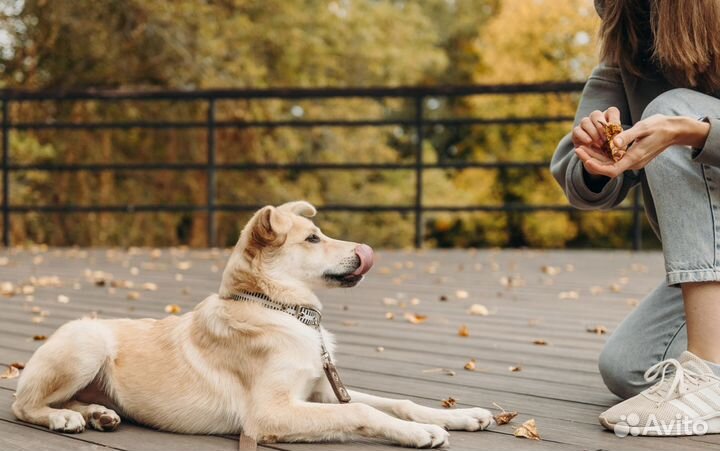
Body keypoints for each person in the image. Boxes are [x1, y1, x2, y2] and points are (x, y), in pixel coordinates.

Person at [551, 0, 720, 436]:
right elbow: (578, 180)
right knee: (630, 368)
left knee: (673, 106)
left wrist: (694, 132)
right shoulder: (629, 33)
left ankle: (710, 374)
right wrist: (594, 158)